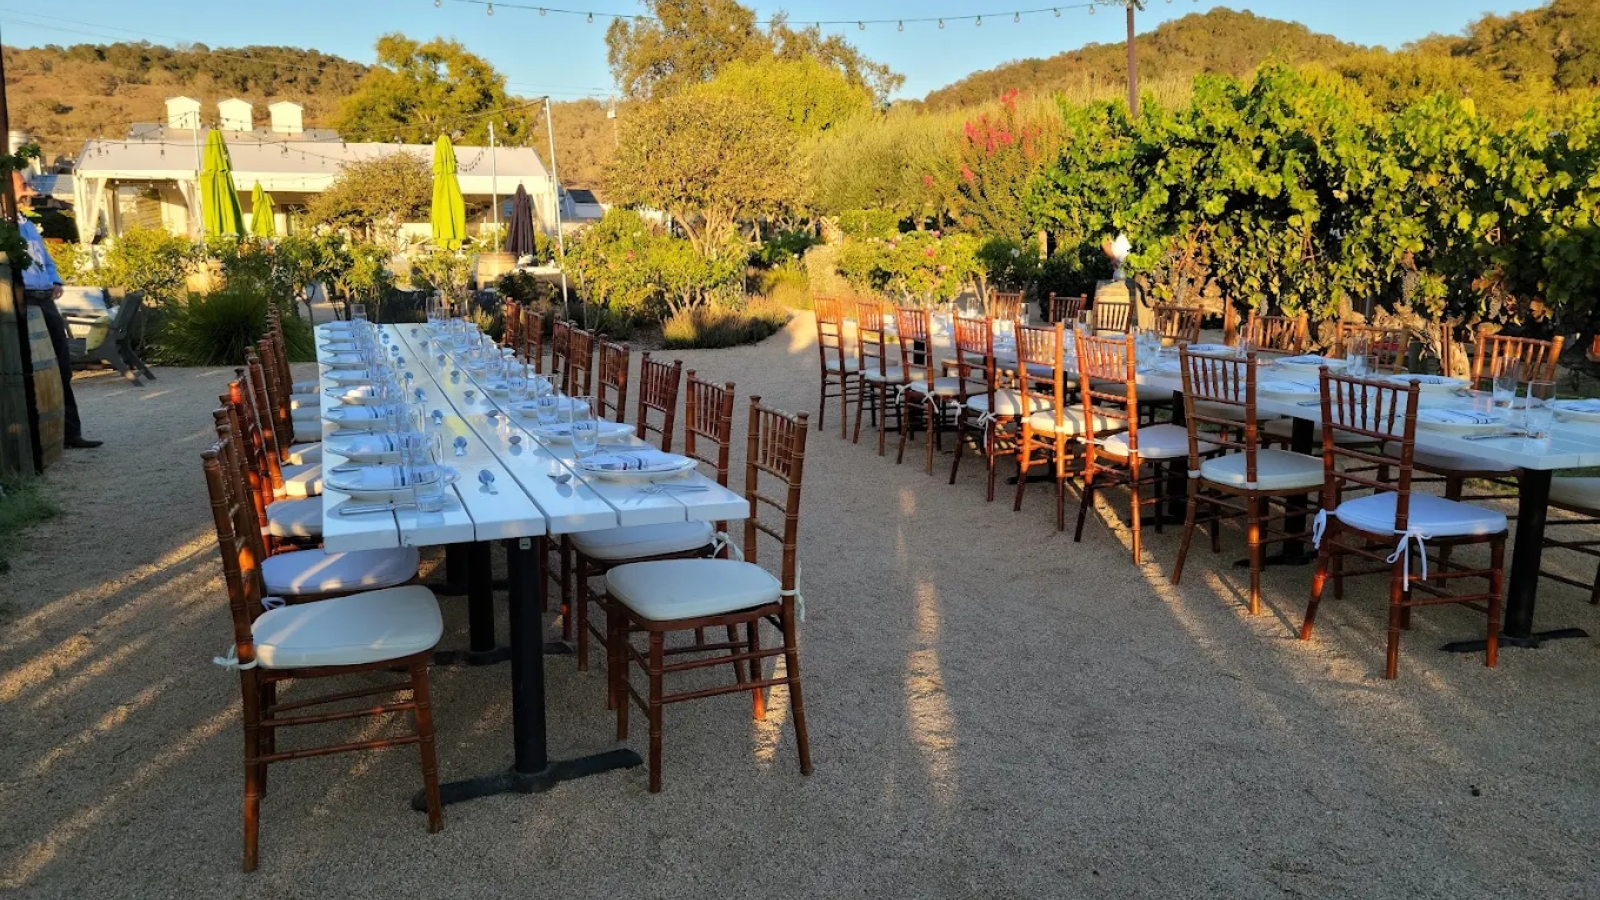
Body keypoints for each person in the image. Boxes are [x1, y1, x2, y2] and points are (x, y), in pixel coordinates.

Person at [14, 171, 100, 448]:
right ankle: (37, 438)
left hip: (45, 299)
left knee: (62, 365)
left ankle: (70, 433)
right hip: (22, 300)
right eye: (23, 186)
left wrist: (55, 280)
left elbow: (46, 260)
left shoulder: (25, 224)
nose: (30, 191)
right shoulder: (6, 229)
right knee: (29, 368)